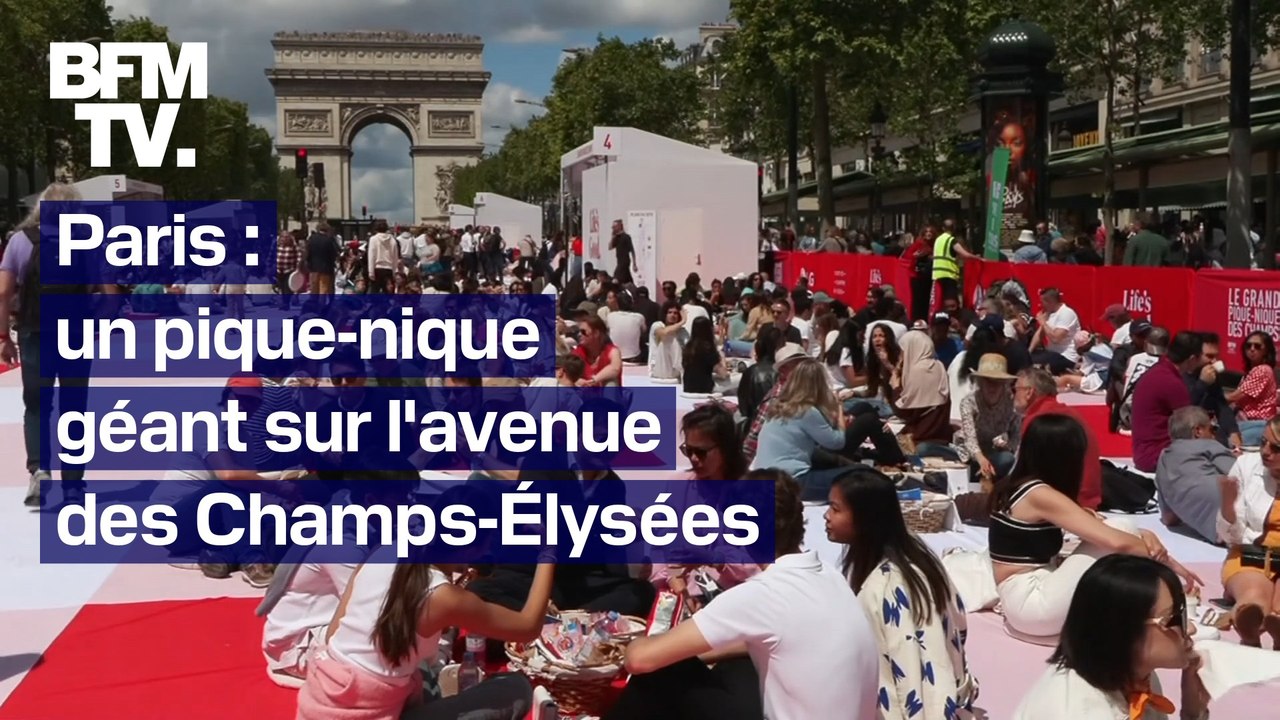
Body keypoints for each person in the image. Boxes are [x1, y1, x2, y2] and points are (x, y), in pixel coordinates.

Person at [607, 470, 879, 720]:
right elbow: (766, 639)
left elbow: (639, 660)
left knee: (660, 672)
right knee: (739, 662)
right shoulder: (830, 577)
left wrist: (635, 644)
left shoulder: (763, 593)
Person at [989, 414, 1200, 646]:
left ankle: (1159, 611)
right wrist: (1166, 566)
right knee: (1120, 529)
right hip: (1031, 602)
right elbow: (1117, 540)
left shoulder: (1023, 487)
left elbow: (1094, 523)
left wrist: (1145, 536)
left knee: (1121, 532)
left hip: (1024, 602)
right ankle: (1169, 608)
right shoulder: (1039, 494)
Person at [0, 182, 119, 508]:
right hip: (75, 337)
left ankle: (39, 470)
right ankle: (73, 487)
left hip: (34, 332)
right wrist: (94, 324)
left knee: (37, 405)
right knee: (74, 410)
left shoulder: (21, 241)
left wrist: (2, 338)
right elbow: (110, 297)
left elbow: (3, 293)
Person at [826, 469, 977, 720]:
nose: (826, 515)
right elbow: (958, 622)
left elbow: (906, 670)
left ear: (865, 518)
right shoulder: (916, 551)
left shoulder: (885, 586)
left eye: (835, 508)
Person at [1012, 555, 1209, 720]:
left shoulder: (1135, 676)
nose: (1190, 628)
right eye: (1176, 618)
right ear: (1125, 631)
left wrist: (1193, 709)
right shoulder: (1079, 712)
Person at [1217, 414, 1280, 648]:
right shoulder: (1246, 465)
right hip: (1250, 553)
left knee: (1278, 610)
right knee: (1253, 599)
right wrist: (1227, 510)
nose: (1265, 451)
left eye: (1276, 447)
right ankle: (1250, 631)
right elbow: (1229, 536)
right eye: (1263, 442)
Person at [750, 359, 849, 502]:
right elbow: (837, 442)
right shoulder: (807, 411)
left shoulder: (778, 405)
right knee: (860, 477)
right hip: (791, 482)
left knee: (831, 460)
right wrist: (839, 409)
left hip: (766, 477)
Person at [1155, 406, 1235, 543]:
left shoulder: (1164, 459)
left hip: (1218, 534)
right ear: (1198, 431)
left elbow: (1169, 519)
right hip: (1233, 519)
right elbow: (1241, 473)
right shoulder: (1208, 445)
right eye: (1212, 429)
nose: (1214, 435)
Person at [1132, 332, 1204, 472]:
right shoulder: (1171, 383)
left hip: (1145, 453)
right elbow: (1192, 423)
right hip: (1158, 456)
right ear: (1192, 358)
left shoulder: (1159, 372)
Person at [955, 354, 1022, 488]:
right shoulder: (969, 402)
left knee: (1006, 459)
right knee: (926, 449)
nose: (992, 387)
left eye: (997, 382)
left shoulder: (1012, 403)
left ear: (1004, 383)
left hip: (996, 455)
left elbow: (1016, 434)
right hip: (970, 455)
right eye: (988, 381)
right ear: (980, 382)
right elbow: (970, 437)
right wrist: (980, 459)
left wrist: (1008, 446)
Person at [893, 331, 954, 454]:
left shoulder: (918, 371)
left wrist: (895, 386)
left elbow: (903, 411)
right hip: (940, 434)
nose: (901, 355)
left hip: (923, 437)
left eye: (902, 350)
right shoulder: (939, 366)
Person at [1228, 332, 1278, 447]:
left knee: (1227, 443)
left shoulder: (1262, 370)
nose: (1252, 349)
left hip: (1257, 425)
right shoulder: (1252, 371)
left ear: (1266, 350)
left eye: (1257, 346)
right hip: (1247, 422)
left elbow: (1233, 397)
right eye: (1248, 345)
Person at [1030, 288, 1081, 376]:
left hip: (1066, 356)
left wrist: (1043, 322)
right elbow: (1040, 334)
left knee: (1035, 363)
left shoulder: (1066, 313)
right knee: (1027, 359)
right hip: (1051, 353)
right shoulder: (1049, 314)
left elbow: (1056, 339)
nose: (1041, 305)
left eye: (1043, 302)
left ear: (1050, 301)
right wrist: (1029, 351)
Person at [572, 314, 623, 387]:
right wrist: (579, 381)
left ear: (596, 333)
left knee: (611, 383)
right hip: (585, 394)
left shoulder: (612, 351)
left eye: (583, 331)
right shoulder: (577, 353)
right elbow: (567, 374)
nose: (579, 334)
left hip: (604, 392)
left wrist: (595, 380)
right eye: (579, 331)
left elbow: (615, 368)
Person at [648, 301, 689, 383]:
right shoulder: (657, 325)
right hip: (659, 368)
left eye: (675, 313)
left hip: (676, 370)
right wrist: (683, 321)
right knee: (669, 337)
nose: (672, 315)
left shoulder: (682, 331)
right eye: (669, 312)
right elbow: (664, 333)